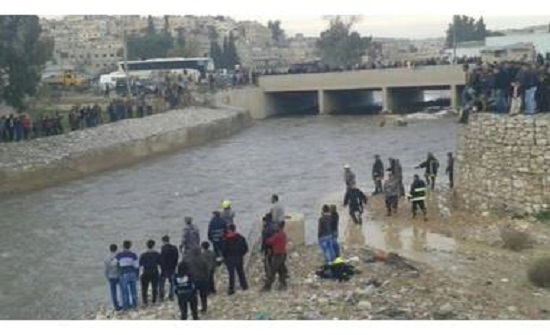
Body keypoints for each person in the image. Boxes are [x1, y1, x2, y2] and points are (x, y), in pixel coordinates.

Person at [221, 223, 249, 295]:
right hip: (239, 257)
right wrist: (241, 254)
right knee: (241, 272)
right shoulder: (241, 238)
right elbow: (245, 248)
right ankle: (244, 286)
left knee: (231, 274)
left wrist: (225, 258)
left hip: (230, 258)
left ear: (229, 230)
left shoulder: (225, 239)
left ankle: (231, 289)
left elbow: (223, 250)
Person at [262, 224, 288, 291]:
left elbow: (269, 242)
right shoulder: (283, 234)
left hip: (277, 255)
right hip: (283, 254)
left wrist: (266, 238)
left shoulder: (276, 236)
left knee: (272, 271)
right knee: (281, 270)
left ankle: (267, 286)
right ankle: (283, 284)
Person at [183, 247, 210, 313]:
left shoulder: (189, 261)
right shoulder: (203, 260)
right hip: (203, 280)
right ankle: (204, 308)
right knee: (203, 296)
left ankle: (194, 309)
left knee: (193, 296)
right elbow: (207, 270)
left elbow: (187, 271)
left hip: (194, 280)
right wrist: (207, 278)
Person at [116, 240, 139, 310]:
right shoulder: (133, 255)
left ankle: (126, 306)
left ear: (123, 246)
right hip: (132, 273)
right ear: (130, 246)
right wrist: (137, 275)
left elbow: (115, 265)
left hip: (123, 274)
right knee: (133, 290)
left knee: (124, 291)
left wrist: (118, 273)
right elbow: (136, 266)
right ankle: (135, 305)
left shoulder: (119, 255)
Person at [139, 239, 162, 306]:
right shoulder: (157, 254)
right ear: (154, 245)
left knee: (144, 288)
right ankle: (154, 301)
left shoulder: (143, 255)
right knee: (154, 287)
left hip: (146, 272)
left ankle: (145, 301)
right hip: (154, 272)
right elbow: (160, 263)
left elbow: (140, 264)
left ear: (147, 246)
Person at [159, 235, 179, 302]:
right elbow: (177, 257)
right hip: (172, 267)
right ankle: (171, 295)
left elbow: (162, 259)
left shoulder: (163, 248)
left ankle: (162, 296)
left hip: (165, 268)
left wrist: (162, 267)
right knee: (172, 283)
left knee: (162, 283)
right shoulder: (174, 247)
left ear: (163, 241)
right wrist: (175, 265)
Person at [104, 244, 121, 311]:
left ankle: (116, 306)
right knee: (121, 290)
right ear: (116, 249)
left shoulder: (106, 258)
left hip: (111, 276)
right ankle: (123, 303)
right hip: (119, 276)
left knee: (113, 292)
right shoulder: (119, 256)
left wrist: (106, 277)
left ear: (110, 249)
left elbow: (106, 269)